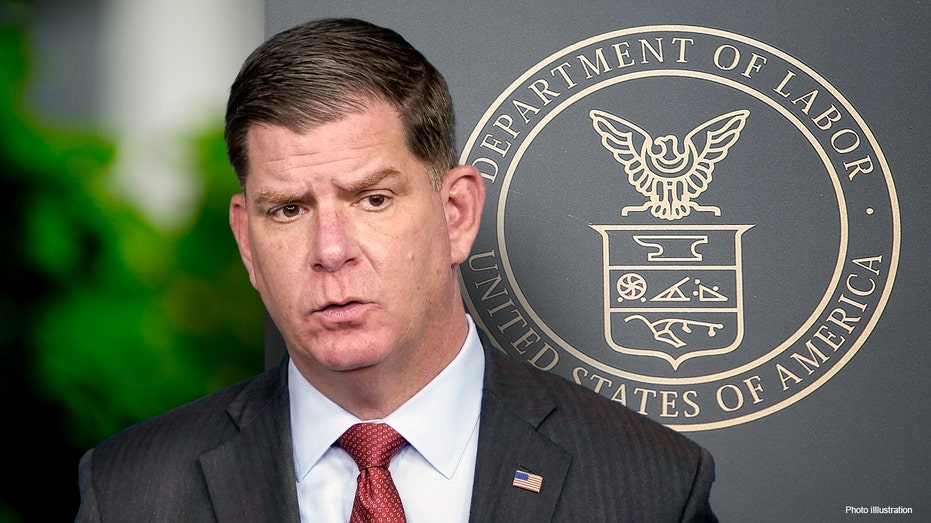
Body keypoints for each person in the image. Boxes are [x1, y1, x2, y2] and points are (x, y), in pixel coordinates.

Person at [75, 17, 718, 522]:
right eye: (289, 209)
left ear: (457, 213)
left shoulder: (649, 483)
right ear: (247, 239)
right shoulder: (131, 489)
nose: (330, 250)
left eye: (371, 199)